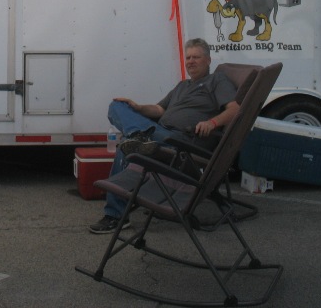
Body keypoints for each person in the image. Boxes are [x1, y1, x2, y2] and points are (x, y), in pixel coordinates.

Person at [88, 38, 239, 234]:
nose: (191, 61)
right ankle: (138, 136)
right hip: (160, 132)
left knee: (127, 144)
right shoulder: (182, 85)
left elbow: (235, 110)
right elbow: (159, 109)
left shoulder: (217, 81)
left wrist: (212, 123)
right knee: (117, 106)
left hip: (180, 141)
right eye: (188, 58)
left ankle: (115, 216)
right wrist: (137, 107)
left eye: (196, 57)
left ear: (208, 60)